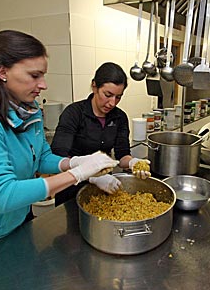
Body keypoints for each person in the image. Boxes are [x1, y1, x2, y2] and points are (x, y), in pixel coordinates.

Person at [0, 30, 118, 258]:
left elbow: (41, 158)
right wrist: (78, 174)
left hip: (19, 220)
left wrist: (75, 162)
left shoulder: (27, 108)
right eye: (35, 75)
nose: (44, 85)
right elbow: (2, 195)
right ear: (3, 72)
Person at [51, 62, 150, 206]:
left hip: (105, 187)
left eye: (118, 97)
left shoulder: (120, 117)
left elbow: (122, 155)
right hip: (71, 188)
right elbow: (58, 156)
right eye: (108, 95)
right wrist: (92, 176)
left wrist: (133, 163)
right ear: (94, 86)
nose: (112, 103)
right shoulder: (74, 113)